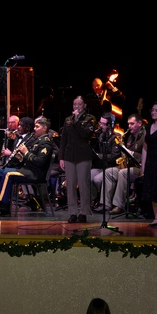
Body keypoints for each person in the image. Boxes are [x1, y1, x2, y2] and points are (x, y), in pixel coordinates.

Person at [0, 116, 54, 216]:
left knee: (7, 174)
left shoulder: (45, 142)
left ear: (44, 128)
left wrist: (25, 153)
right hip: (27, 169)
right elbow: (28, 158)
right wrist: (19, 155)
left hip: (34, 174)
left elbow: (39, 161)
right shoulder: (38, 140)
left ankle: (3, 207)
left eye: (37, 127)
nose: (34, 129)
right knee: (0, 171)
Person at [58, 95, 97, 223]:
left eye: (79, 104)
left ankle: (84, 212)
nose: (77, 106)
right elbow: (63, 139)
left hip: (83, 156)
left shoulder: (89, 119)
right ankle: (73, 212)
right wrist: (61, 157)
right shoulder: (68, 119)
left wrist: (77, 121)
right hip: (69, 156)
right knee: (70, 185)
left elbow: (86, 135)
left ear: (84, 105)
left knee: (84, 185)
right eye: (75, 104)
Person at [103, 113, 146, 215]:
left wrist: (130, 152)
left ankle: (119, 205)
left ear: (139, 123)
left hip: (140, 168)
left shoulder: (145, 136)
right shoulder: (130, 137)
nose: (129, 126)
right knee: (109, 172)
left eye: (132, 124)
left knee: (123, 173)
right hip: (129, 166)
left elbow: (144, 156)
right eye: (128, 124)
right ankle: (106, 204)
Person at [90, 113, 123, 214]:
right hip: (103, 166)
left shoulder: (116, 137)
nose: (101, 126)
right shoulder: (101, 136)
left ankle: (105, 203)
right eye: (100, 123)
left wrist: (100, 156)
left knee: (97, 179)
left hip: (115, 166)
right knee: (89, 174)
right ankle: (92, 200)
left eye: (103, 124)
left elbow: (115, 156)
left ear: (110, 125)